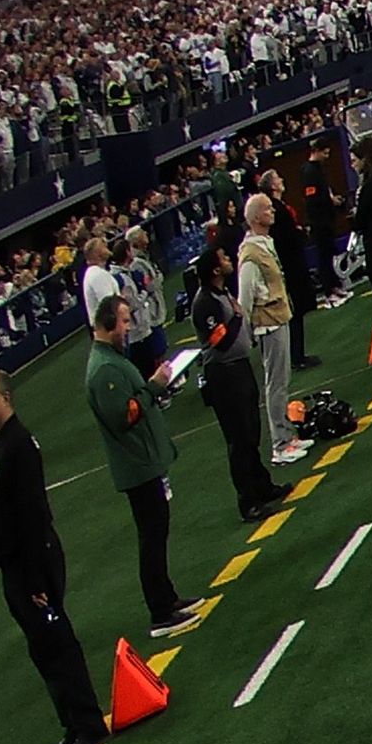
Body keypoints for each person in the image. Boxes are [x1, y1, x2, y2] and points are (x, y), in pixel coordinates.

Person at [0, 373, 104, 744]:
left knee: (58, 645)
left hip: (32, 568)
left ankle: (89, 725)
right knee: (42, 650)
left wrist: (37, 580)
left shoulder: (19, 446)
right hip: (14, 569)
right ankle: (72, 725)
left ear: (6, 399)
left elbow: (33, 515)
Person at [80, 297, 193, 636]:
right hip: (137, 464)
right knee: (152, 535)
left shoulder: (112, 361)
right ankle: (160, 612)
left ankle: (168, 598)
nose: (128, 329)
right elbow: (124, 415)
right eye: (125, 322)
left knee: (158, 532)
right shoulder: (105, 370)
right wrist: (155, 385)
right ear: (108, 324)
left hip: (143, 461)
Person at [190, 272, 278, 526]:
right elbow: (221, 342)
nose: (229, 261)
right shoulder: (205, 302)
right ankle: (247, 502)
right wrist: (239, 317)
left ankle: (262, 486)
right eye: (223, 258)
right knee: (238, 439)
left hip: (239, 367)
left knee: (251, 430)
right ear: (214, 268)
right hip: (223, 375)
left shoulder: (222, 292)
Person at [235, 192, 303, 469]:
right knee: (275, 383)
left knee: (282, 379)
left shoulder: (263, 244)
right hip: (268, 322)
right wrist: (247, 330)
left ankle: (287, 434)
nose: (272, 211)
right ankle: (280, 444)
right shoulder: (250, 254)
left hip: (278, 315)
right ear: (254, 218)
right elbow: (245, 296)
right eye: (266, 209)